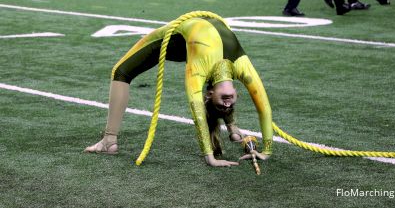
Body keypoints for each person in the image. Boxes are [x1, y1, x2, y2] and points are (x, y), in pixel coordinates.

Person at [84, 12, 274, 167]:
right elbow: (264, 108)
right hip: (183, 38)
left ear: (209, 95)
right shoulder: (243, 66)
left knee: (120, 71)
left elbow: (198, 110)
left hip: (181, 41)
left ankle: (108, 141)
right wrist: (266, 151)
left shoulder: (199, 71)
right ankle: (232, 127)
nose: (227, 103)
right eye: (228, 103)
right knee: (121, 71)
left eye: (221, 104)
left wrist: (210, 156)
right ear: (236, 94)